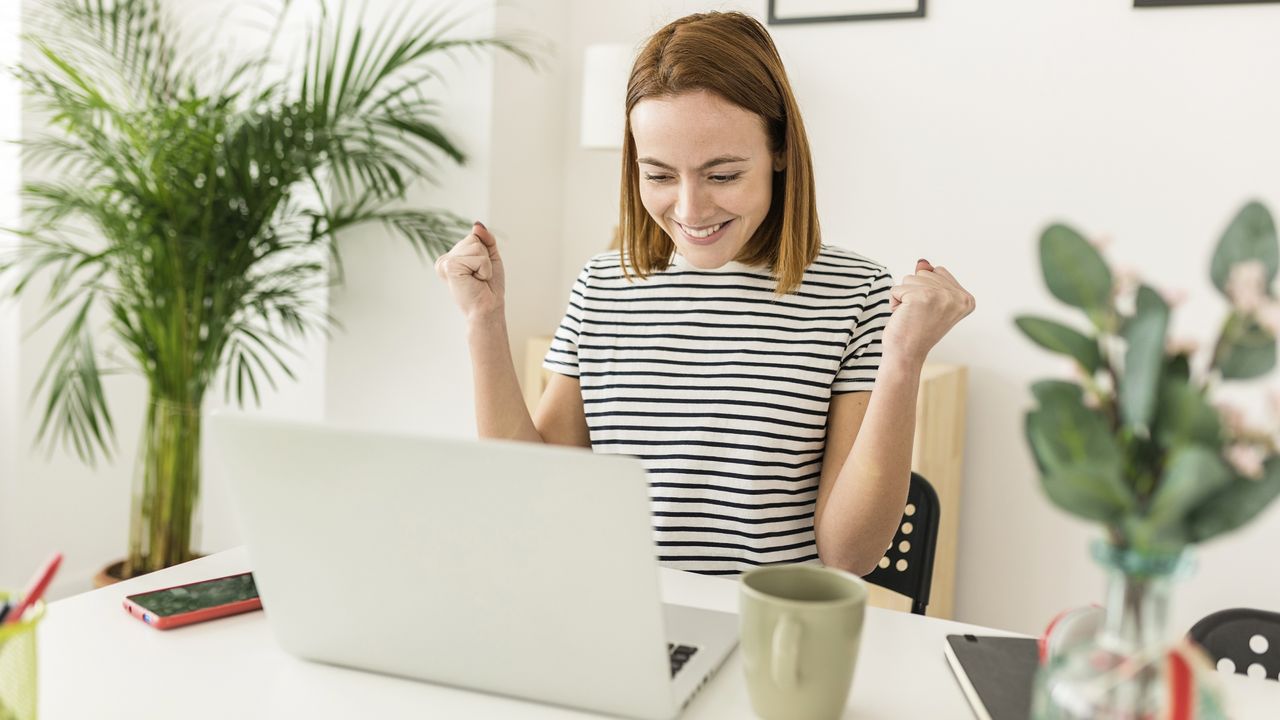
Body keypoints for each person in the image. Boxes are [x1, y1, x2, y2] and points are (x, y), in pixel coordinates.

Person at [435, 11, 974, 576]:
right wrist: (484, 321)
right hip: (624, 625)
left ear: (780, 151)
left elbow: (850, 555)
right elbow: (537, 499)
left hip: (772, 639)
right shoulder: (601, 288)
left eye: (722, 175)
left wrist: (905, 358)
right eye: (661, 175)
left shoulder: (855, 294)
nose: (690, 210)